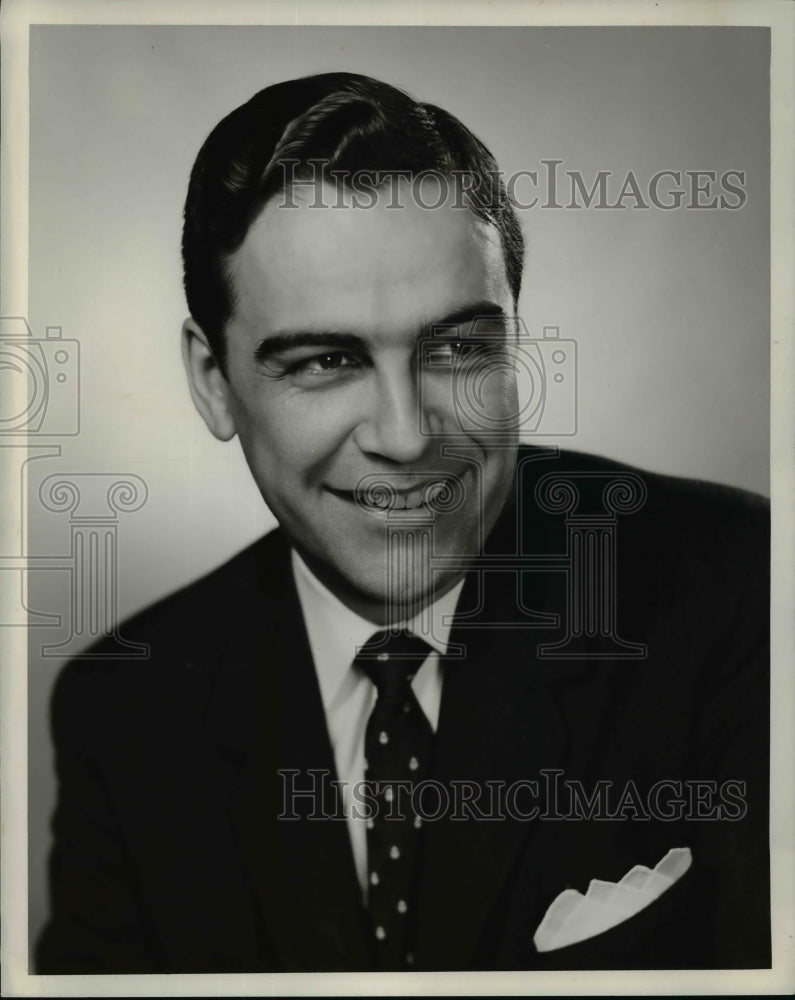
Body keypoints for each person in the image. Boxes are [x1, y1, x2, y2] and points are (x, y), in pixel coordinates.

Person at [35, 72, 769, 974]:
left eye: (458, 348)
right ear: (211, 380)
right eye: (325, 361)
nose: (407, 435)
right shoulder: (127, 714)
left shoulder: (742, 590)